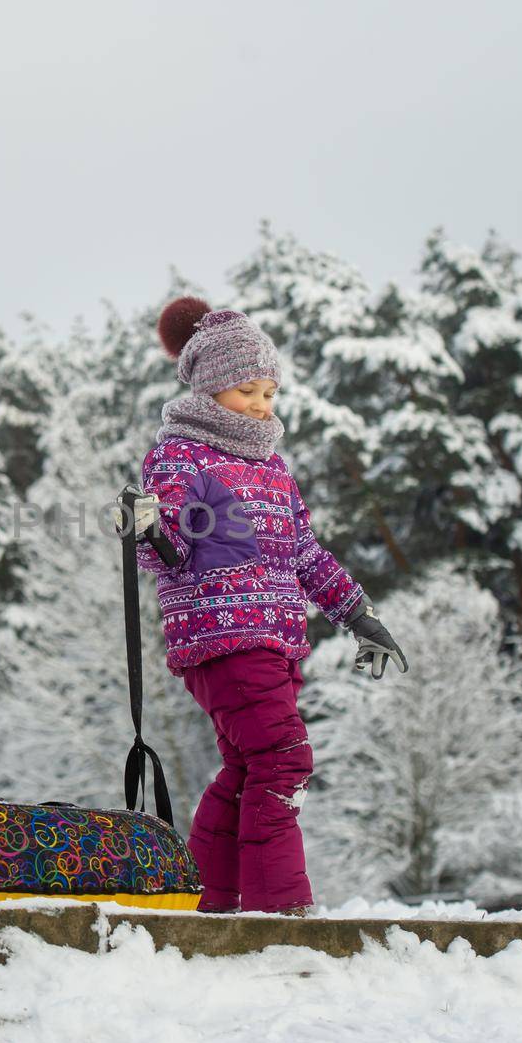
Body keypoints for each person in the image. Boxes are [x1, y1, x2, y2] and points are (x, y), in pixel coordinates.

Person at [126, 296, 407, 916]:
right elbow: (163, 549)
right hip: (223, 637)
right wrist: (146, 529)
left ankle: (204, 900)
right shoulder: (180, 454)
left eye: (269, 392)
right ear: (209, 388)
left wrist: (359, 616)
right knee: (284, 759)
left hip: (274, 640)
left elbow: (303, 552)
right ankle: (280, 911)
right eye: (246, 389)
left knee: (247, 768)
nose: (261, 404)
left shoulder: (273, 469)